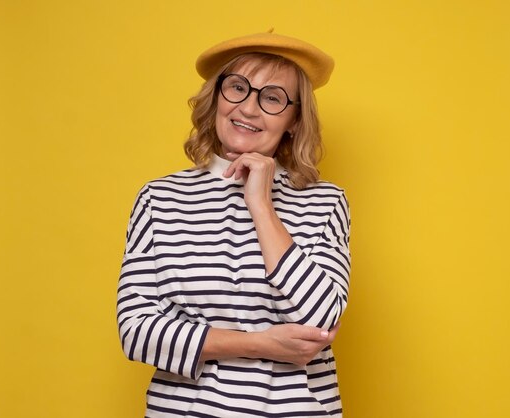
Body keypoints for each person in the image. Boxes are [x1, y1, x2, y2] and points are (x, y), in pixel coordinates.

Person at [117, 31, 351, 417]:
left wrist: (261, 204)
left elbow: (322, 318)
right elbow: (137, 332)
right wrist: (259, 343)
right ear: (216, 98)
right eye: (238, 88)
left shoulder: (324, 202)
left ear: (294, 119)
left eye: (273, 97)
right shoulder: (160, 199)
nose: (249, 108)